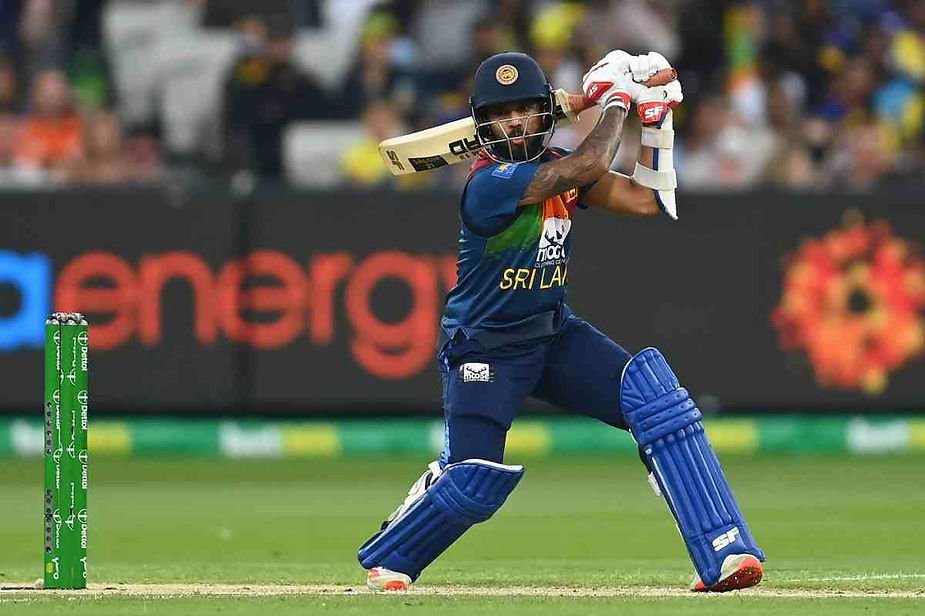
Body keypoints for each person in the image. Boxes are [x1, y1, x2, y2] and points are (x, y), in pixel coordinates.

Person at [357, 51, 765, 593]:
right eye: (502, 114)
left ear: (544, 115)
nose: (516, 124)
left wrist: (657, 119)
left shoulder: (560, 166)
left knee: (656, 401)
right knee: (474, 480)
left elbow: (649, 202)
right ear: (481, 126)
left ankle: (726, 551)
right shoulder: (490, 184)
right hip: (486, 348)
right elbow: (586, 164)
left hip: (551, 333)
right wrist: (618, 98)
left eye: (527, 110)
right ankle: (394, 552)